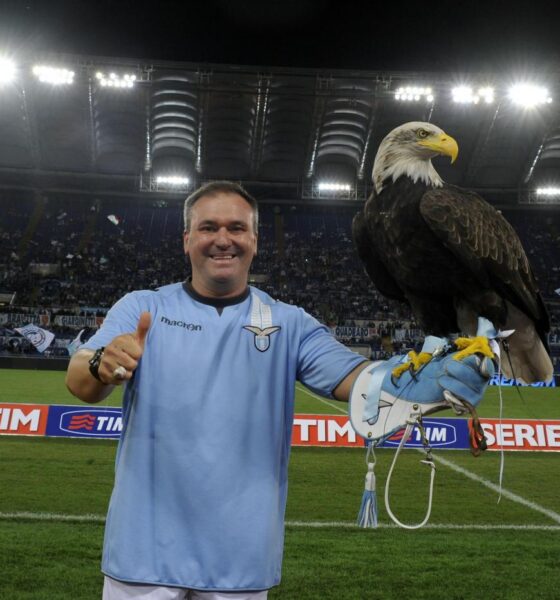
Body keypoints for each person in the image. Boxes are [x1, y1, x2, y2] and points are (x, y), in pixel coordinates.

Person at [66, 181, 492, 600]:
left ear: (254, 239)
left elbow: (362, 381)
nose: (222, 240)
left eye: (236, 228)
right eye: (208, 227)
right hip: (143, 552)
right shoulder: (143, 307)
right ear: (186, 239)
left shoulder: (290, 323)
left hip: (241, 557)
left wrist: (423, 379)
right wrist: (102, 366)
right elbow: (79, 381)